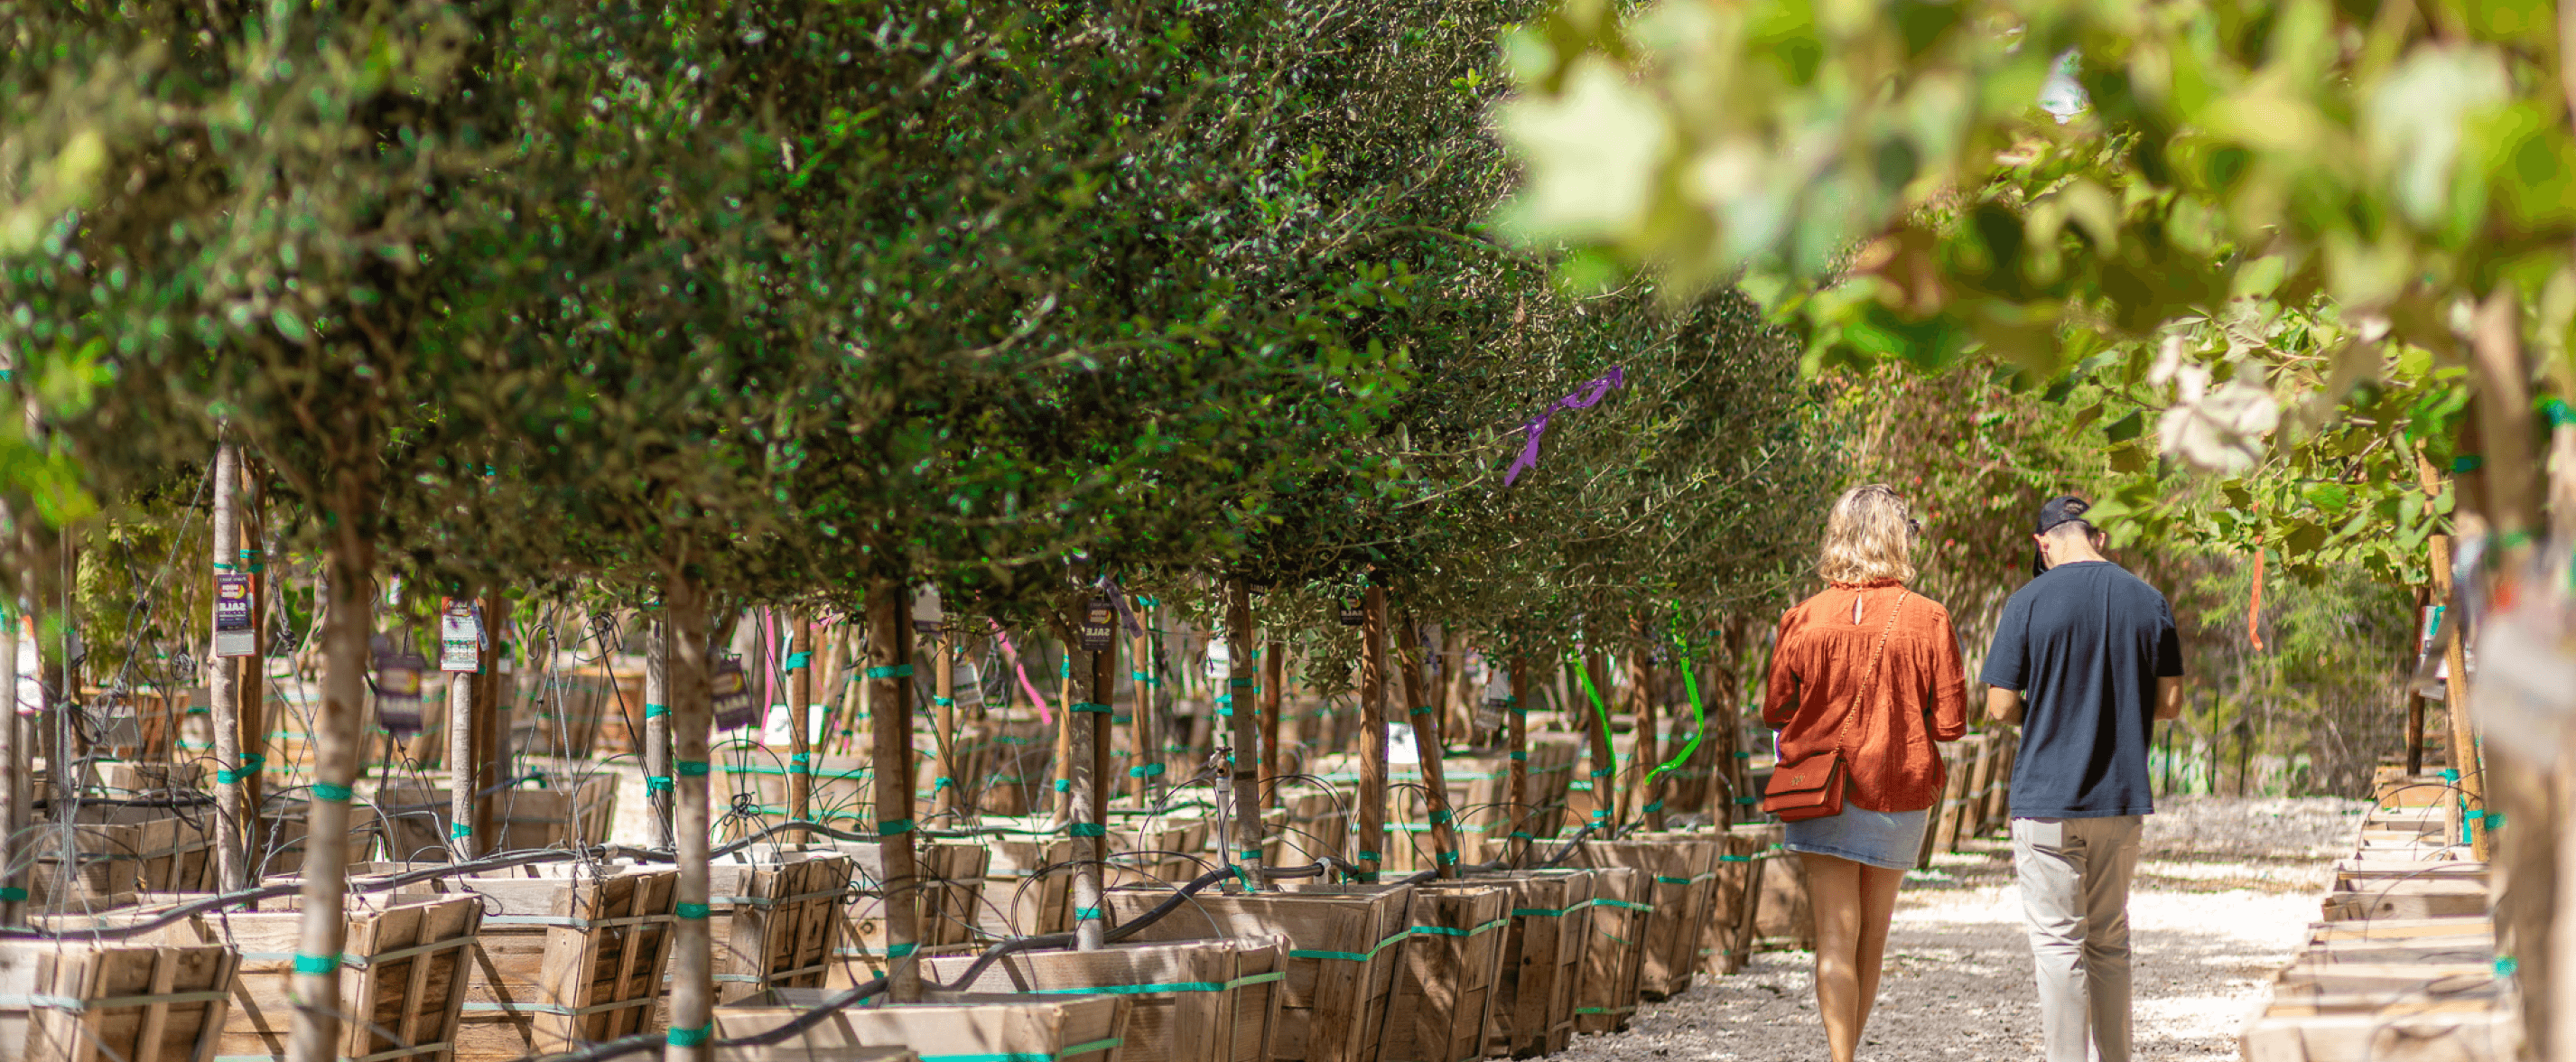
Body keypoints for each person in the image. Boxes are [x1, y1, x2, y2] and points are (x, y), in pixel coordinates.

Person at [1764, 484, 1968, 1062]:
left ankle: (1841, 1059)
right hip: (1898, 788)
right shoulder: (1929, 618)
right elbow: (1951, 723)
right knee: (1871, 935)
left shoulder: (1802, 618)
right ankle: (1847, 1053)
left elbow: (1777, 709)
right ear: (1898, 538)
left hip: (1819, 788)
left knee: (1833, 935)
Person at [1981, 495, 2184, 1062]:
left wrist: (2046, 711)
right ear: (2100, 538)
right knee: (2110, 942)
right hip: (2119, 799)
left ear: (2043, 543)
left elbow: (1998, 707)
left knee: (2057, 946)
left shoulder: (2026, 603)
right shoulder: (2149, 602)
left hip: (2046, 801)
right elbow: (2169, 703)